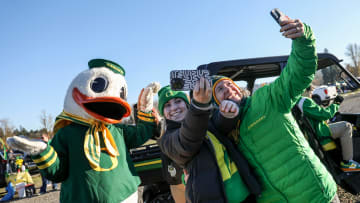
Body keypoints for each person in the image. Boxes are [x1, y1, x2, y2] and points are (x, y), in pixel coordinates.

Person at [211, 16, 339, 202]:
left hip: (316, 196)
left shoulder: (266, 99)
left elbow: (299, 73)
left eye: (230, 85)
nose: (228, 90)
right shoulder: (224, 131)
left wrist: (303, 39)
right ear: (216, 103)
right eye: (220, 90)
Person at [158, 79, 261, 203]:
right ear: (163, 113)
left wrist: (228, 112)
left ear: (186, 104)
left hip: (246, 195)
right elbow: (186, 141)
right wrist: (199, 106)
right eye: (167, 105)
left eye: (178, 101)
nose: (174, 108)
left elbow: (219, 123)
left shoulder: (205, 120)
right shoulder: (167, 139)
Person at [297, 85, 360, 171]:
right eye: (311, 93)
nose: (312, 95)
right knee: (346, 126)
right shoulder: (304, 101)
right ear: (306, 91)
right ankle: (347, 163)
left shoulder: (296, 102)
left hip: (315, 131)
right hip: (320, 131)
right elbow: (324, 114)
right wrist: (336, 104)